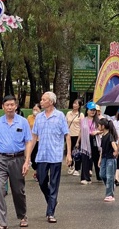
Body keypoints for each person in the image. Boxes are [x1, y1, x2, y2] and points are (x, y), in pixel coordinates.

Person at [0, 95, 32, 229]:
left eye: (12, 105)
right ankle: (2, 223)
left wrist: (27, 161)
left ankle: (22, 215)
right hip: (1, 159)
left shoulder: (23, 122)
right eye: (7, 105)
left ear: (16, 106)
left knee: (18, 191)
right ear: (3, 107)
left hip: (17, 159)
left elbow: (28, 142)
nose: (9, 107)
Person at [31, 92, 72, 223]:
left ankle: (50, 213)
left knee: (54, 184)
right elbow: (34, 137)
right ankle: (52, 200)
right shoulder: (39, 117)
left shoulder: (60, 116)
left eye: (44, 100)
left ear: (51, 102)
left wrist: (69, 154)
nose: (41, 102)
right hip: (42, 155)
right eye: (41, 99)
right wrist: (27, 156)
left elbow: (67, 135)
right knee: (42, 181)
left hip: (55, 156)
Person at [76, 102, 101, 185]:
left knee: (97, 158)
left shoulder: (98, 120)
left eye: (94, 110)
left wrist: (97, 132)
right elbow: (81, 131)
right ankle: (85, 177)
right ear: (87, 111)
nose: (92, 112)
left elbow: (103, 130)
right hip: (85, 141)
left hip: (95, 140)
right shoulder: (83, 120)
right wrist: (77, 142)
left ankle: (100, 176)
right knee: (85, 159)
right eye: (91, 110)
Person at [98, 118, 118, 202]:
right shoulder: (103, 136)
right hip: (104, 158)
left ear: (103, 126)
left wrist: (116, 152)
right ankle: (111, 186)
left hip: (110, 158)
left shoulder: (110, 136)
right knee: (102, 174)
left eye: (99, 125)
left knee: (109, 176)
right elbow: (102, 149)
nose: (98, 126)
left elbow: (114, 145)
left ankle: (109, 194)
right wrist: (100, 159)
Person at [66, 98, 84, 176]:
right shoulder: (68, 113)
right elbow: (66, 124)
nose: (74, 105)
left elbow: (82, 128)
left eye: (77, 104)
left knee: (77, 152)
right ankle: (71, 165)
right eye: (74, 103)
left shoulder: (81, 115)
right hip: (69, 135)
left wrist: (78, 140)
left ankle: (77, 168)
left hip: (77, 135)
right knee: (69, 150)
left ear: (79, 106)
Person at [27, 103, 41, 182]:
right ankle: (37, 170)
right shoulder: (29, 118)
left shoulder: (42, 117)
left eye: (36, 110)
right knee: (32, 157)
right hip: (32, 140)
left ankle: (39, 173)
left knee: (39, 158)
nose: (35, 111)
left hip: (40, 140)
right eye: (34, 109)